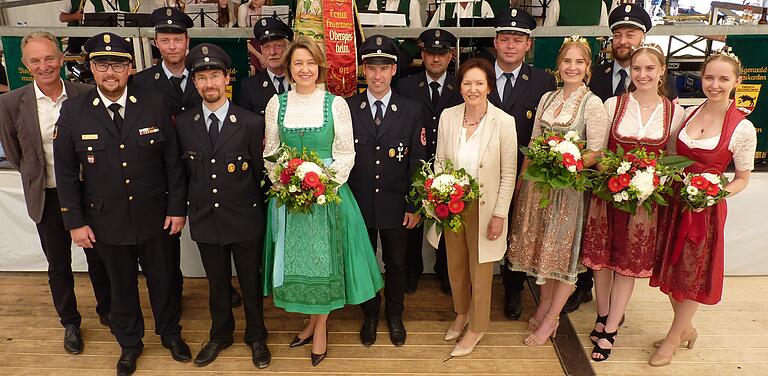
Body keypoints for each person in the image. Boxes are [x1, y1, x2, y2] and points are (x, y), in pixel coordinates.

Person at [53, 32, 190, 376]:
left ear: (130, 68)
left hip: (156, 216)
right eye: (102, 64)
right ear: (91, 68)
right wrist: (75, 222)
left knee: (165, 279)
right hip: (105, 220)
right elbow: (67, 173)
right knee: (120, 286)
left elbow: (173, 161)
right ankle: (130, 345)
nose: (110, 71)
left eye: (117, 64)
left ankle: (171, 334)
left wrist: (177, 208)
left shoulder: (154, 103)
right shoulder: (74, 111)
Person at [262, 36, 384, 367]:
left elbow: (345, 153)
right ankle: (312, 321)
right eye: (298, 63)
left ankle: (320, 329)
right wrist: (288, 184)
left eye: (310, 63)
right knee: (301, 266)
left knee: (326, 264)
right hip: (290, 200)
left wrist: (320, 185)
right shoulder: (277, 104)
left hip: (328, 197)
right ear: (289, 68)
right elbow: (271, 154)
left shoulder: (336, 104)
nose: (304, 69)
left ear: (320, 67)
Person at [0, 31, 111, 355]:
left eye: (49, 57)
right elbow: (16, 152)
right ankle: (70, 322)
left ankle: (108, 310)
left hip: (89, 193)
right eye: (35, 60)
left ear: (62, 57)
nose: (44, 65)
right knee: (58, 264)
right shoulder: (10, 103)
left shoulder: (86, 94)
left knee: (100, 258)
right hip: (47, 195)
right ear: (25, 64)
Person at [649, 48, 757, 367]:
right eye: (710, 77)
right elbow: (671, 152)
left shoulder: (742, 128)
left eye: (723, 79)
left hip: (704, 212)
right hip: (675, 202)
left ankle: (672, 337)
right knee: (670, 270)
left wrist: (714, 193)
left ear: (736, 82)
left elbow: (741, 178)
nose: (715, 84)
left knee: (690, 275)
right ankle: (686, 329)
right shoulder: (688, 112)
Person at [567, 2, 676, 314]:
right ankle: (583, 288)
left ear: (643, 39)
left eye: (631, 34)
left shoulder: (665, 94)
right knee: (592, 239)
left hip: (630, 183)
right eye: (618, 34)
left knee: (624, 245)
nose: (624, 41)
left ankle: (615, 309)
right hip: (591, 169)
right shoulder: (595, 76)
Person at [580, 43, 684, 362]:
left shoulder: (674, 112)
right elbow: (598, 150)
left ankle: (611, 328)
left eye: (650, 68)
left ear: (662, 71)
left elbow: (670, 157)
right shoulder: (613, 104)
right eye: (637, 68)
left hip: (643, 201)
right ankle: (602, 313)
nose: (643, 74)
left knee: (626, 264)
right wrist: (615, 174)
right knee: (601, 261)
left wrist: (650, 182)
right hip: (609, 193)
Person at [506, 35, 610, 346]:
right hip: (539, 186)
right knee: (542, 251)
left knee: (561, 254)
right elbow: (534, 142)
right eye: (567, 61)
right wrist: (522, 181)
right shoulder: (547, 99)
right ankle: (543, 306)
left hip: (569, 190)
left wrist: (568, 162)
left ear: (588, 67)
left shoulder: (593, 104)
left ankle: (553, 317)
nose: (572, 67)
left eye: (579, 62)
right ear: (558, 65)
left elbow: (597, 152)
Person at [175, 43, 272, 369]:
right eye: (201, 77)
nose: (209, 84)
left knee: (250, 282)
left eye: (214, 75)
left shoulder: (249, 122)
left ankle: (256, 336)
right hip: (206, 216)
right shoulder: (185, 123)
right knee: (217, 284)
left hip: (245, 216)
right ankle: (221, 335)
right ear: (194, 82)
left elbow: (261, 174)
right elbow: (180, 173)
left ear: (227, 77)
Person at [435, 58, 517, 357]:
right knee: (455, 267)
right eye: (467, 83)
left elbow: (509, 173)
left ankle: (477, 326)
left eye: (479, 83)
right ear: (459, 88)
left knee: (480, 272)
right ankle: (461, 313)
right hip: (452, 204)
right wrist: (440, 195)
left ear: (489, 87)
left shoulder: (504, 122)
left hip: (486, 208)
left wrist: (499, 214)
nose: (473, 89)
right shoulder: (448, 116)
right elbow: (440, 161)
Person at [347, 35, 425, 348]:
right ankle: (369, 314)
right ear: (363, 70)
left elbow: (418, 160)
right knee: (365, 261)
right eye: (371, 67)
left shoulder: (410, 109)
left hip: (396, 203)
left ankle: (394, 315)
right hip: (359, 202)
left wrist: (414, 205)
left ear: (394, 70)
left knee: (396, 264)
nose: (377, 75)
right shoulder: (348, 108)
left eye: (384, 67)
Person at [489, 6, 557, 321]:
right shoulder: (478, 75)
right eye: (505, 38)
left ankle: (513, 289)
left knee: (517, 229)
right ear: (495, 42)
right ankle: (464, 286)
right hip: (482, 171)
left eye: (518, 39)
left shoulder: (543, 80)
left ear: (528, 44)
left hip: (524, 172)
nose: (511, 45)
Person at [397, 28, 463, 295]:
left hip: (449, 164)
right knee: (413, 220)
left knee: (448, 218)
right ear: (422, 55)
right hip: (414, 162)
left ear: (451, 56)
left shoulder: (461, 85)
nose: (436, 59)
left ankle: (444, 270)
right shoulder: (406, 85)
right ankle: (412, 269)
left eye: (442, 54)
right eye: (431, 53)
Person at [238, 16, 293, 119]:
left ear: (288, 48)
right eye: (267, 47)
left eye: (278, 46)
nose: (272, 52)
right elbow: (246, 127)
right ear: (261, 51)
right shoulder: (250, 86)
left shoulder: (299, 81)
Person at [427, 0, 495, 27]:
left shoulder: (483, 5)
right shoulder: (445, 6)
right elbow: (431, 30)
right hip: (449, 53)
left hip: (477, 52)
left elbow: (491, 32)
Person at [543, 0, 609, 26]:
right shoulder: (601, 4)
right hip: (562, 54)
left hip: (591, 54)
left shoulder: (556, 3)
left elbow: (546, 34)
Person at [358, 0, 423, 26]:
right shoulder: (375, 1)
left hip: (403, 46)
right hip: (381, 44)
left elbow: (416, 33)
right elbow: (370, 26)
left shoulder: (413, 2)